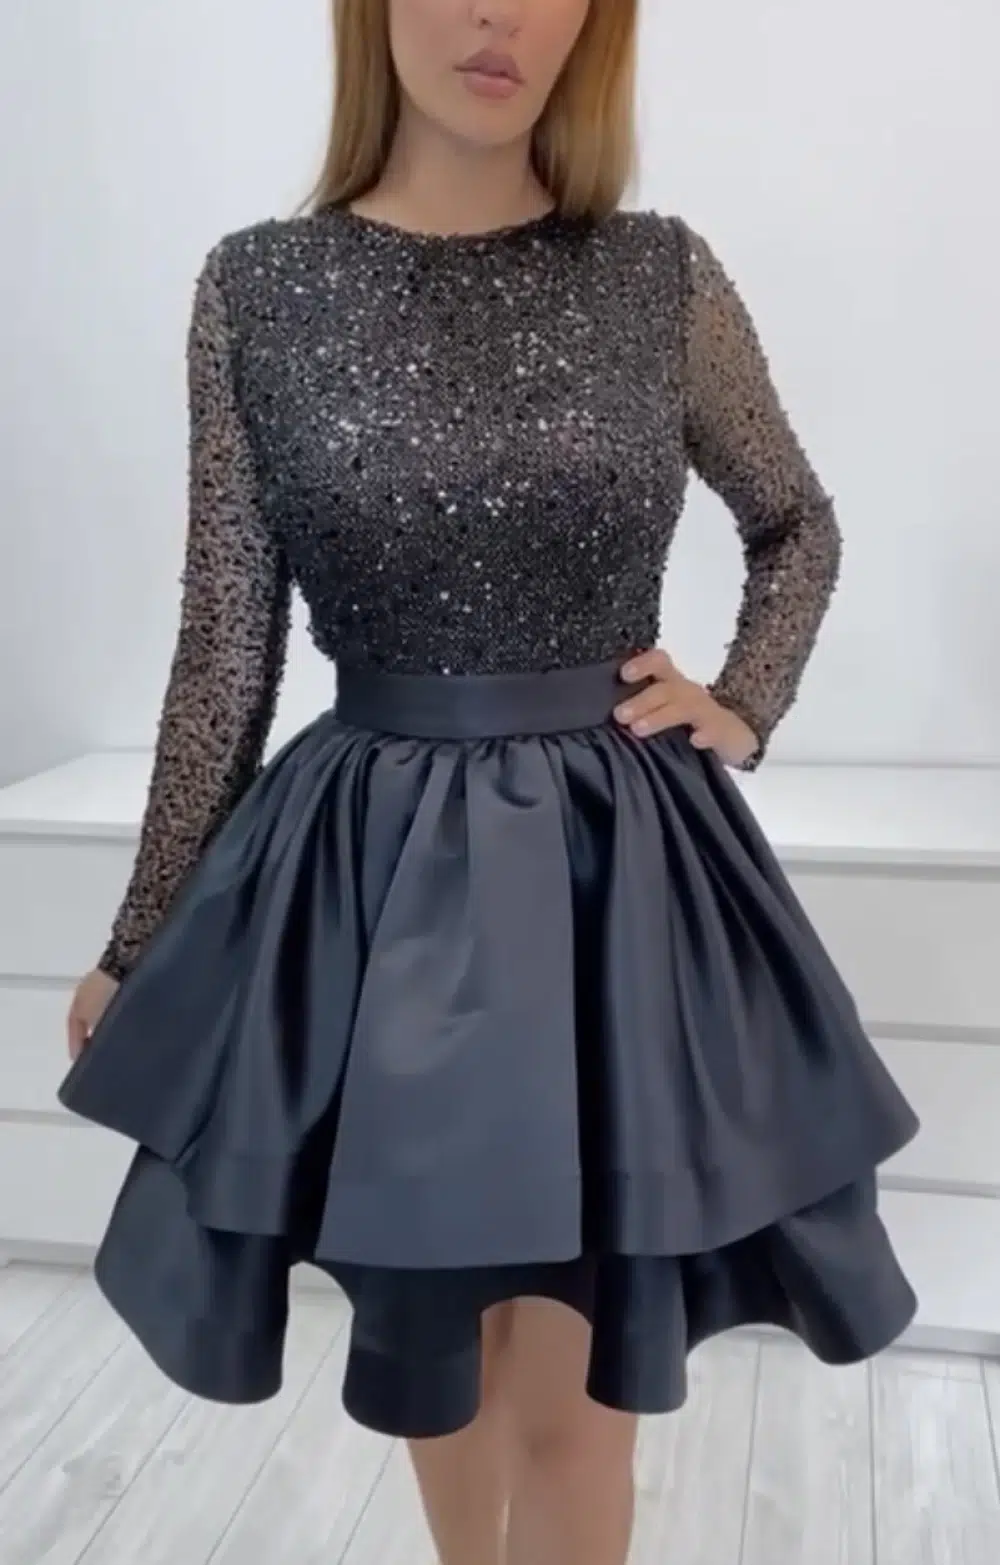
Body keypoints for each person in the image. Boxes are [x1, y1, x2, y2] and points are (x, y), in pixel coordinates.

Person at [60, 2, 919, 1562]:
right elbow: (224, 644)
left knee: (578, 1385)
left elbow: (795, 521)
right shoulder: (261, 289)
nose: (497, 13)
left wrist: (745, 701)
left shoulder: (656, 274)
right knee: (433, 1354)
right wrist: (142, 935)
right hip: (375, 879)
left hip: (612, 873)